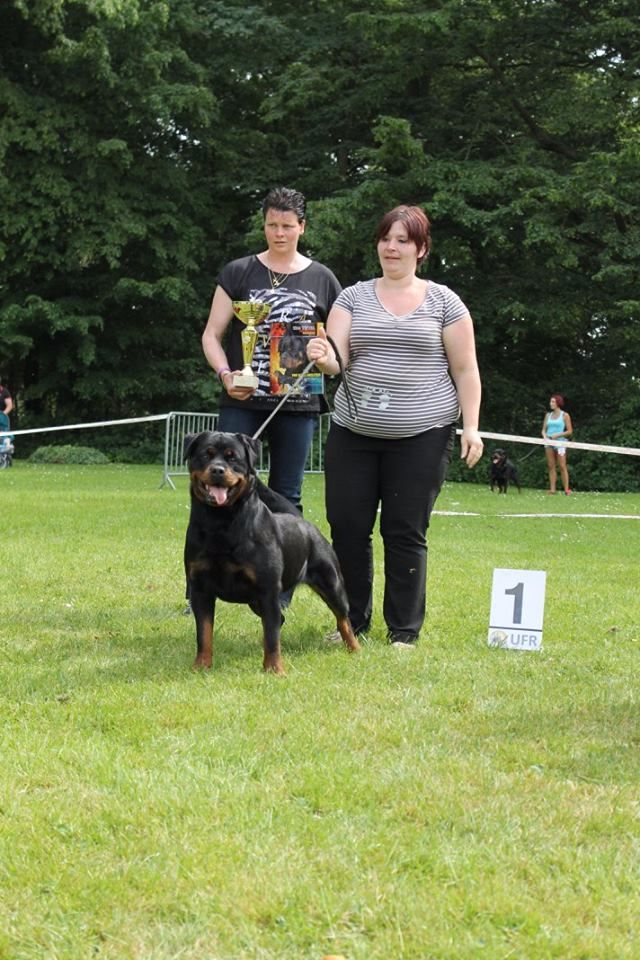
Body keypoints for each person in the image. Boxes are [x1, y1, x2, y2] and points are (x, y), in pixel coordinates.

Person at [306, 204, 483, 647]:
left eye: (403, 240)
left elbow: (466, 370)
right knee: (347, 527)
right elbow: (337, 358)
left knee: (404, 532)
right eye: (386, 238)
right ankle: (352, 622)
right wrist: (323, 357)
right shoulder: (353, 298)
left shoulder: (445, 302)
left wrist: (472, 427)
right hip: (353, 433)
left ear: (420, 249)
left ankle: (404, 631)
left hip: (424, 434)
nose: (392, 247)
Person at [201, 186, 342, 512]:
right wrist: (225, 375)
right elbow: (211, 335)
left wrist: (325, 359)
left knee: (287, 496)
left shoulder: (323, 278)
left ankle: (287, 549)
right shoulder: (238, 271)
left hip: (298, 403)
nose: (279, 233)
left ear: (302, 227)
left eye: (287, 226)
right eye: (272, 225)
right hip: (242, 399)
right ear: (263, 225)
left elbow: (338, 356)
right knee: (225, 488)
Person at [542, 393, 573, 494]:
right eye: (551, 402)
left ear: (558, 403)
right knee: (551, 465)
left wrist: (557, 435)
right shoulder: (548, 415)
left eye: (553, 402)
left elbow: (569, 431)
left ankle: (566, 490)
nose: (551, 403)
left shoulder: (565, 415)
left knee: (562, 466)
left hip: (560, 443)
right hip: (548, 442)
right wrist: (545, 437)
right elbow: (543, 430)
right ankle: (552, 489)